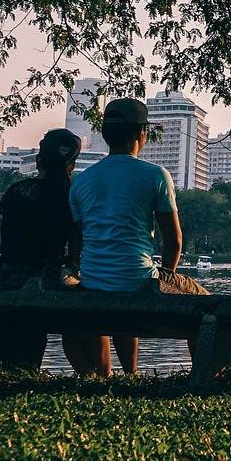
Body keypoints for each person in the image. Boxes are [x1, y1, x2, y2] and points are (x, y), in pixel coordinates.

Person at [68, 96, 207, 375]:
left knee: (122, 288)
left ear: (105, 135)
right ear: (142, 133)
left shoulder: (81, 181)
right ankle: (202, 375)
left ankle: (128, 374)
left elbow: (79, 242)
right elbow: (174, 240)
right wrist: (166, 276)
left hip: (94, 282)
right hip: (140, 280)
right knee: (206, 304)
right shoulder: (156, 175)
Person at [0, 127, 102, 375]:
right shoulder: (73, 196)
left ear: (38, 160)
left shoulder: (17, 191)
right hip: (51, 282)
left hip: (9, 281)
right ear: (72, 165)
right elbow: (77, 243)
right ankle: (93, 372)